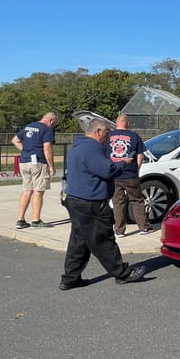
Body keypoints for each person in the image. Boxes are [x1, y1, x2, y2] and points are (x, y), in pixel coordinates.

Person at [59, 118, 146, 290]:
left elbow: (96, 168)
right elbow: (107, 170)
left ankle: (70, 277)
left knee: (80, 240)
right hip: (90, 202)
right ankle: (122, 273)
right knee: (103, 238)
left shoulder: (78, 146)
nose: (107, 138)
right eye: (106, 133)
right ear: (97, 131)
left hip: (76, 200)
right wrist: (123, 163)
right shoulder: (90, 148)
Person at [107, 114, 153, 238]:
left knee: (118, 202)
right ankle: (143, 227)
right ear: (127, 123)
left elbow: (104, 155)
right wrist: (136, 170)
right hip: (130, 174)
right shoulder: (134, 136)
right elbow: (140, 156)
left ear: (117, 122)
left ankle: (119, 230)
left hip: (114, 174)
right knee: (137, 200)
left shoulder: (108, 136)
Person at [12, 111, 58, 229]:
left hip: (24, 162)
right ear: (51, 120)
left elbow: (15, 140)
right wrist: (51, 166)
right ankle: (36, 220)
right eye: (54, 124)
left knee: (27, 190)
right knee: (38, 191)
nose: (53, 126)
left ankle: (20, 220)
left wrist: (25, 150)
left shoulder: (28, 126)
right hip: (38, 163)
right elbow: (47, 149)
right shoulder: (47, 129)